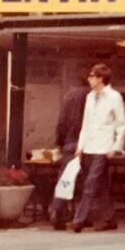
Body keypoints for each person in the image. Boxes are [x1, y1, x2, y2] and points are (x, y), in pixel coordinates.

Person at [71, 63, 125, 232]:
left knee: (90, 183)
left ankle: (78, 219)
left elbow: (121, 124)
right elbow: (86, 124)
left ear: (101, 78)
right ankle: (110, 219)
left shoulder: (114, 97)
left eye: (92, 76)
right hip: (88, 147)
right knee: (99, 185)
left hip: (103, 148)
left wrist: (116, 147)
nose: (89, 79)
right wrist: (80, 146)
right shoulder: (90, 97)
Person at [49, 71, 89, 230]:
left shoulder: (68, 96)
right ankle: (83, 215)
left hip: (69, 143)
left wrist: (60, 142)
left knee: (65, 179)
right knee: (87, 181)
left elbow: (61, 122)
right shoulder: (92, 96)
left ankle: (57, 210)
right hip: (87, 144)